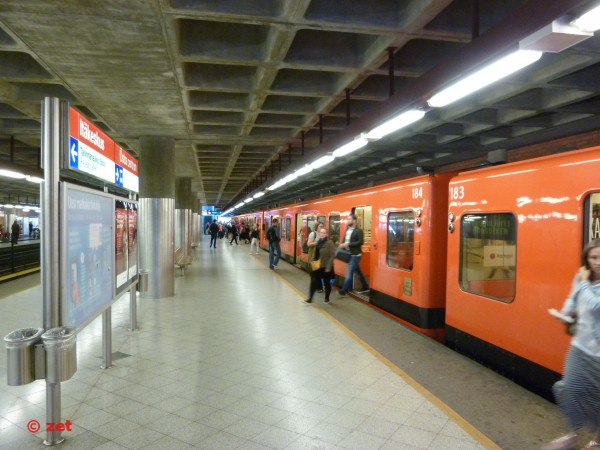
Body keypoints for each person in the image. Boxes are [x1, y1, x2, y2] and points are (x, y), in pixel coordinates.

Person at [542, 239, 600, 450]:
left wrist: (584, 283)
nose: (598, 262)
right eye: (594, 257)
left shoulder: (584, 280)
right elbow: (573, 298)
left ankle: (596, 441)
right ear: (587, 259)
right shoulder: (581, 277)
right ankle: (573, 432)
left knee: (597, 397)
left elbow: (595, 305)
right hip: (579, 346)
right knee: (567, 388)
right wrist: (567, 312)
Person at [338, 213, 369, 296]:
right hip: (349, 254)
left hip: (355, 255)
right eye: (348, 219)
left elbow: (361, 242)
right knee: (358, 271)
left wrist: (348, 244)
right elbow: (345, 240)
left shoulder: (358, 231)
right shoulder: (347, 230)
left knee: (349, 272)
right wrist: (342, 244)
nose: (348, 221)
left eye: (349, 219)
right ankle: (365, 286)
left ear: (354, 220)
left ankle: (343, 290)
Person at [305, 227, 336, 304]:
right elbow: (315, 253)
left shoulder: (330, 243)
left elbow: (332, 255)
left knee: (326, 283)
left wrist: (328, 267)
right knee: (313, 281)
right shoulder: (318, 242)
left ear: (326, 234)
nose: (322, 234)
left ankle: (327, 298)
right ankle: (310, 298)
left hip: (325, 266)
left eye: (324, 233)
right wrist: (312, 261)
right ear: (319, 233)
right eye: (321, 233)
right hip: (317, 266)